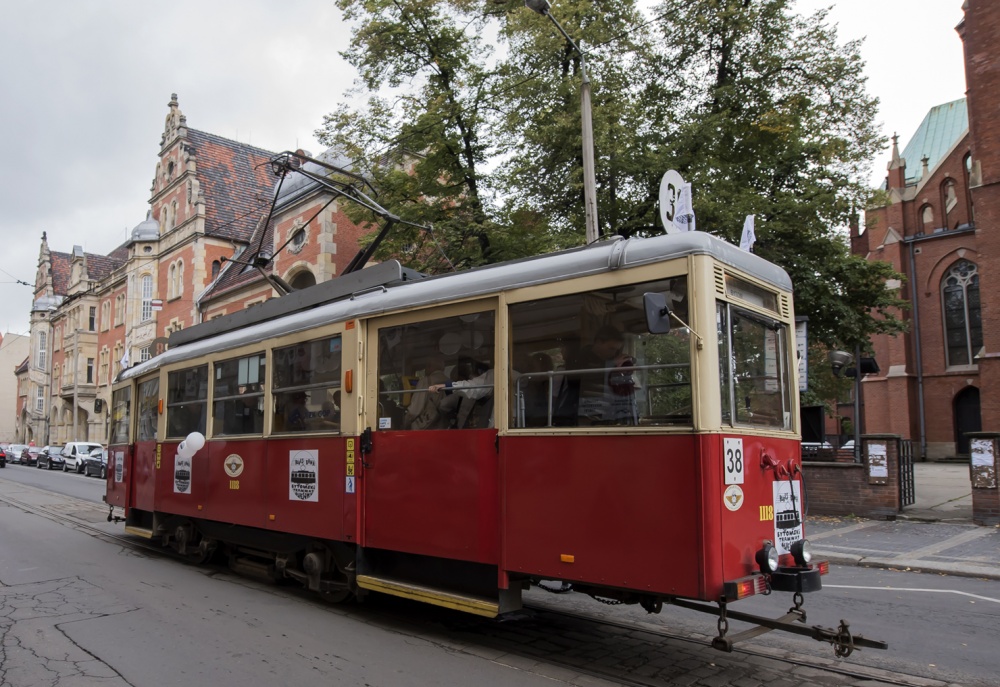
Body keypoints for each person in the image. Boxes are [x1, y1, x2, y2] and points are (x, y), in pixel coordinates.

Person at [404, 357, 450, 430]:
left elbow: (414, 411)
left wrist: (405, 423)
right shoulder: (451, 382)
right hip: (446, 428)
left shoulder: (425, 381)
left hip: (428, 429)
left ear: (429, 366)